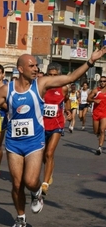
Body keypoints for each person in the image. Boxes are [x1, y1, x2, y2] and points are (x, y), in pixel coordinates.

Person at [0, 50, 106, 227]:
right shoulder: (7, 89)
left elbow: (69, 78)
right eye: (32, 66)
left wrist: (90, 61)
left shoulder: (41, 84)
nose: (36, 69)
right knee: (17, 184)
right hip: (13, 142)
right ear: (20, 69)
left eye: (36, 65)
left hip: (34, 142)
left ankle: (36, 193)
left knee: (30, 180)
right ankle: (20, 218)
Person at [42, 63, 71, 195]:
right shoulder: (42, 87)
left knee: (49, 153)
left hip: (57, 125)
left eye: (55, 75)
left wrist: (69, 111)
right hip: (42, 124)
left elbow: (67, 99)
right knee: (43, 156)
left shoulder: (63, 88)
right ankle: (50, 170)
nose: (52, 78)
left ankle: (45, 183)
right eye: (50, 75)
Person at [87, 76, 106, 155]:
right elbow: (88, 99)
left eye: (104, 81)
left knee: (102, 130)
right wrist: (94, 100)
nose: (102, 82)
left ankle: (99, 147)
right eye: (101, 81)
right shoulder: (96, 90)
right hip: (96, 113)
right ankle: (98, 134)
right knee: (96, 131)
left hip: (104, 114)